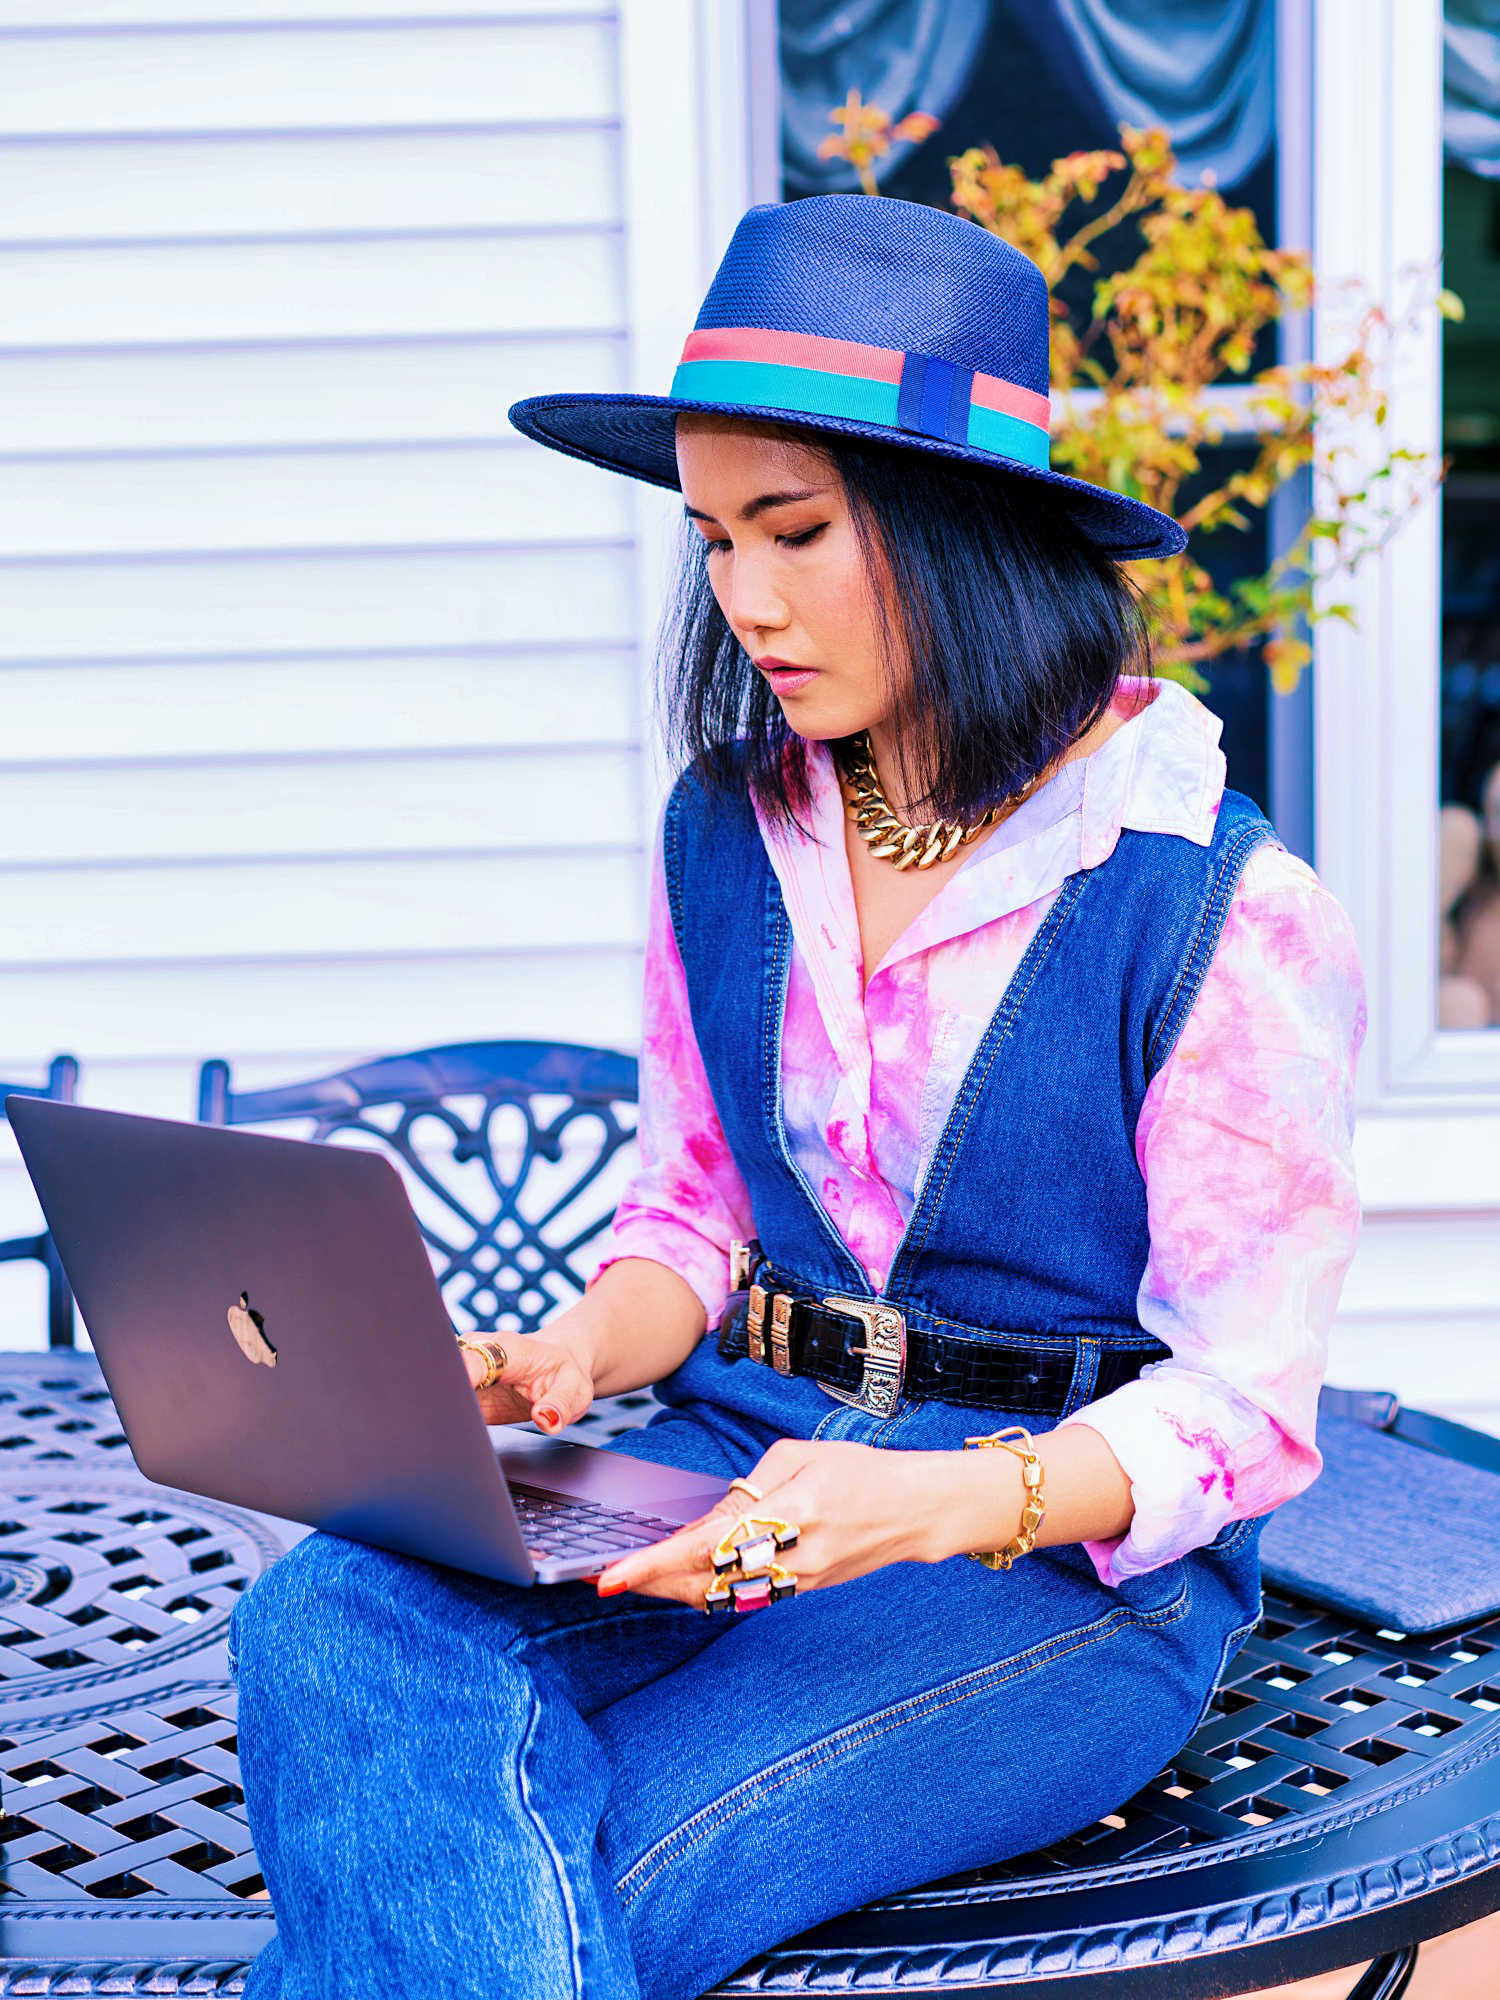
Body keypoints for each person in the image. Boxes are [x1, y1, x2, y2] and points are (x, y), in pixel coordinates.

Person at [230, 195, 1366, 2000]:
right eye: (712, 541)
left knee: (591, 1859)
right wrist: (576, 1359)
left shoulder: (1218, 908)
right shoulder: (727, 828)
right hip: (714, 1451)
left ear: (964, 529)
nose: (745, 601)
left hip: (1051, 1567)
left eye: (796, 531)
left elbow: (1245, 1410)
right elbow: (690, 1215)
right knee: (329, 1616)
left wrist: (917, 1505)